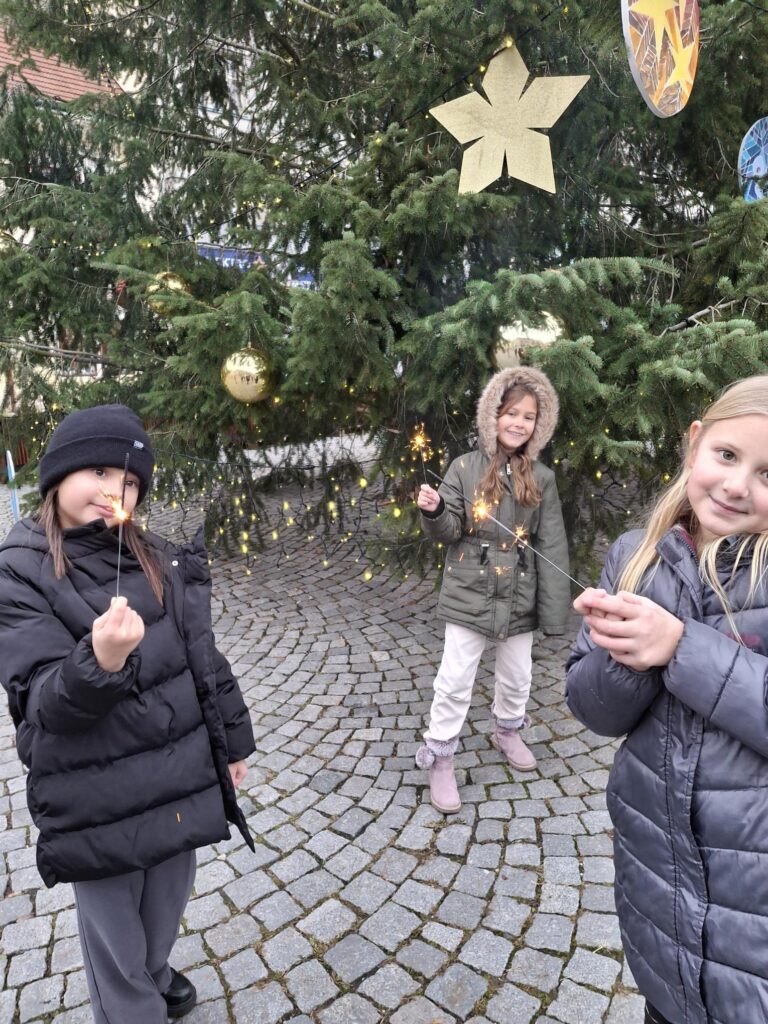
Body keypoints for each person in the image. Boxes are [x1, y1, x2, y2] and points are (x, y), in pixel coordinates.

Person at [0, 405, 255, 1023]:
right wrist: (101, 660)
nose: (116, 489)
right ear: (59, 474)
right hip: (95, 797)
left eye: (131, 480)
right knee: (115, 931)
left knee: (166, 903)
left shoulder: (155, 555)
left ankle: (155, 972)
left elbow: (201, 654)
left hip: (175, 778)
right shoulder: (18, 570)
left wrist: (232, 741)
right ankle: (132, 1007)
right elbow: (41, 699)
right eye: (99, 471)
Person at [566, 375, 768, 1023]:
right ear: (694, 444)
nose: (736, 485)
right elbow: (594, 710)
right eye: (727, 456)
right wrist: (623, 658)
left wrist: (679, 647)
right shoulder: (636, 556)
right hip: (661, 897)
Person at [415, 366, 570, 813]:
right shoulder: (464, 468)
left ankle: (507, 730)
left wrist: (553, 611)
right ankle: (440, 755)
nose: (519, 423)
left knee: (518, 674)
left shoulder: (541, 477)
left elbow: (551, 544)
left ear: (539, 424)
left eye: (529, 416)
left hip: (519, 595)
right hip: (471, 593)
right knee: (455, 679)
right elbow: (448, 531)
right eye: (511, 413)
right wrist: (435, 510)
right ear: (492, 415)